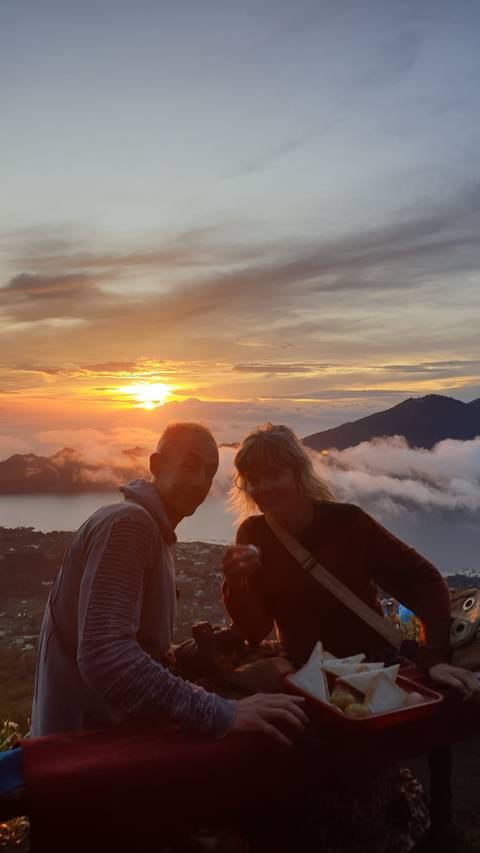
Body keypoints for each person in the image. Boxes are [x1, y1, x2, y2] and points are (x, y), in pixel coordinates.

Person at [221, 423, 480, 853]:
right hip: (311, 678)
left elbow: (422, 578)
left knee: (436, 705)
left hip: (371, 668)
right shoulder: (254, 535)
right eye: (254, 478)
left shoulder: (348, 525)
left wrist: (434, 655)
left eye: (275, 474)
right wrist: (236, 583)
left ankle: (442, 825)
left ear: (299, 474)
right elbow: (253, 628)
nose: (263, 487)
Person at [31, 422, 307, 747]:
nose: (200, 482)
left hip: (89, 739)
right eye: (190, 466)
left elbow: (127, 647)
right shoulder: (129, 526)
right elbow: (106, 656)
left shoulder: (149, 530)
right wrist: (223, 714)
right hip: (87, 750)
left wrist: (195, 654)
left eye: (209, 472)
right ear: (155, 465)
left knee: (271, 671)